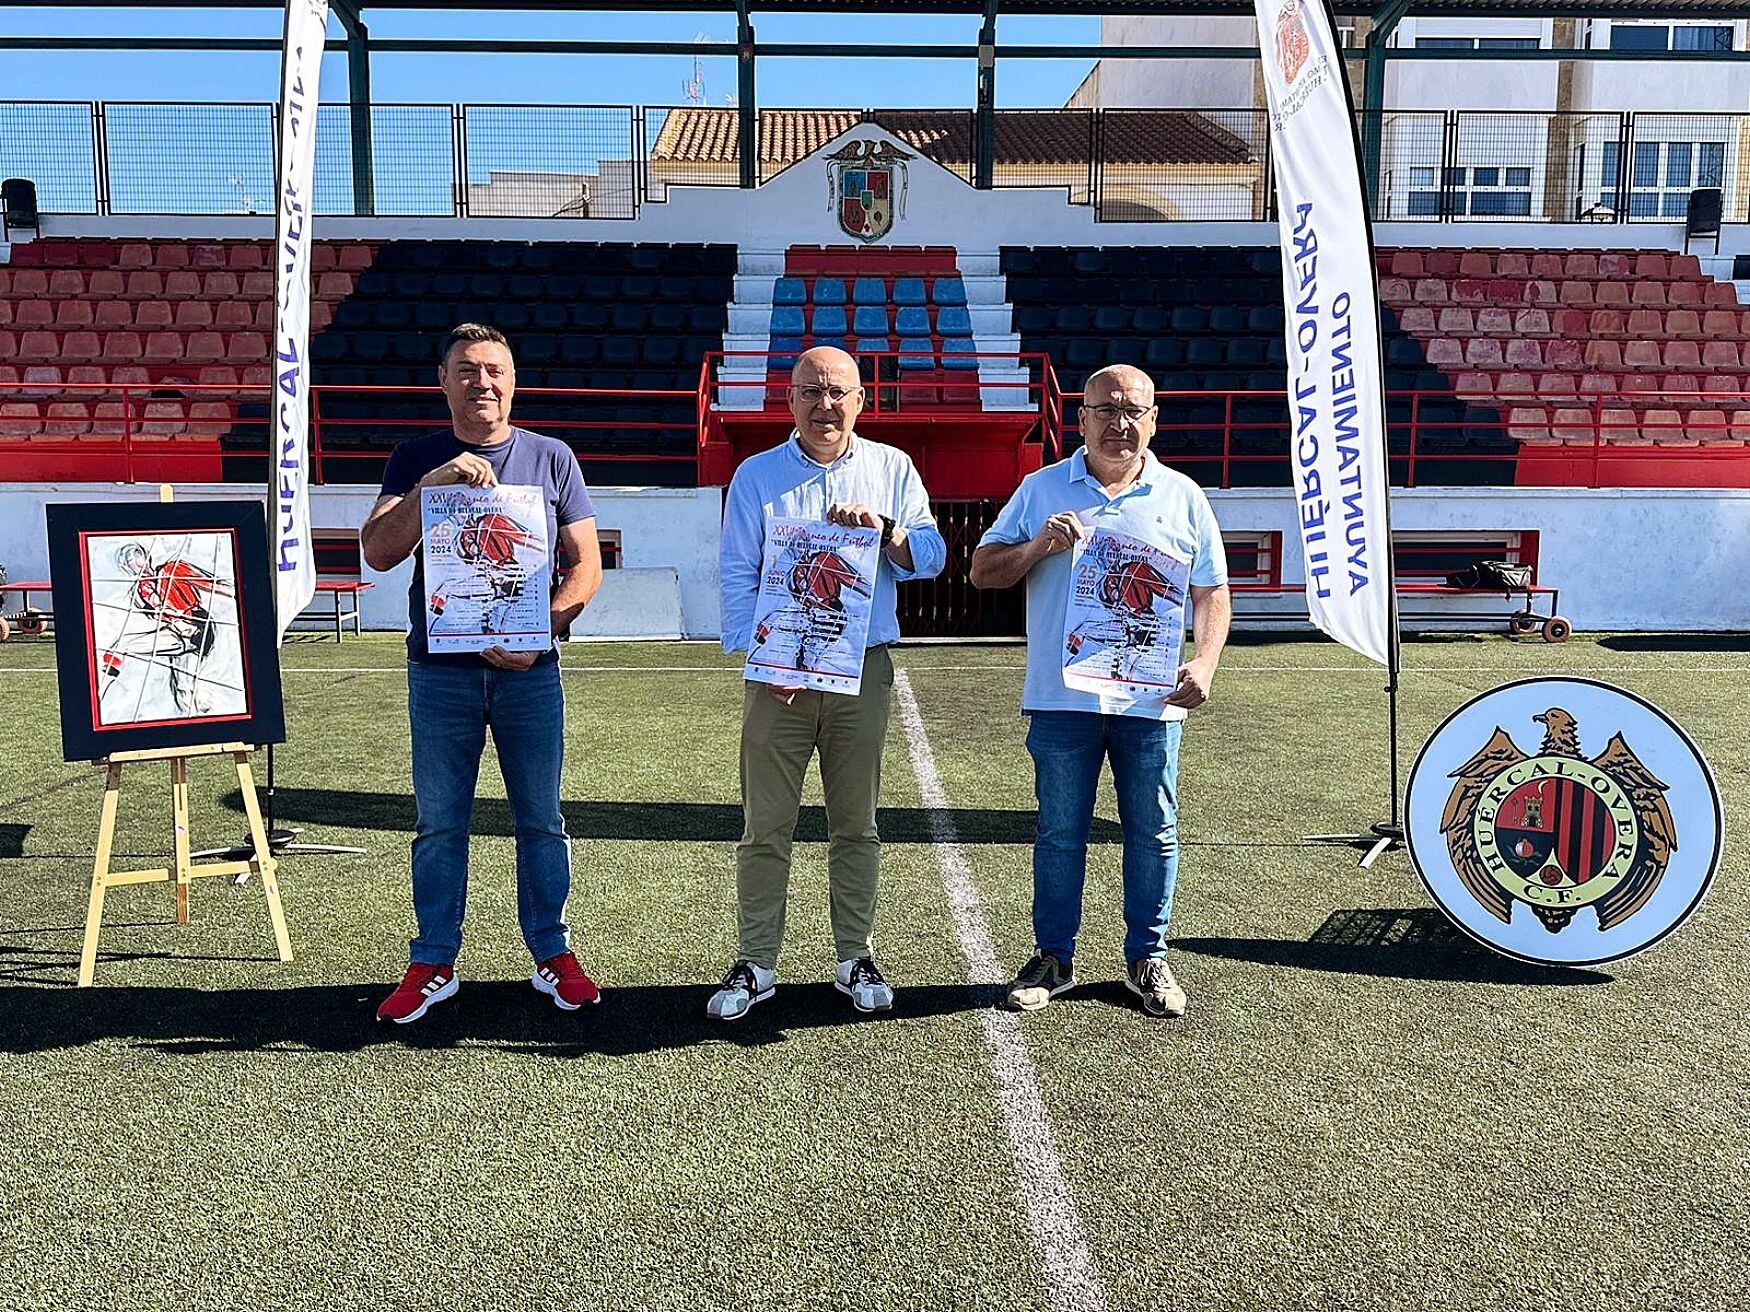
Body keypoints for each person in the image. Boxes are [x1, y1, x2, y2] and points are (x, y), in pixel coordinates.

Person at [970, 363, 1231, 1019]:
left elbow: (1212, 592)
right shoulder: (1039, 489)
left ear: (1153, 418)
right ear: (1080, 417)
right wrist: (1035, 548)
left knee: (1155, 833)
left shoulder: (1183, 496)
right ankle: (1053, 958)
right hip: (1063, 702)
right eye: (1105, 409)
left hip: (1151, 703)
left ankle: (1148, 958)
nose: (1120, 423)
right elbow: (982, 572)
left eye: (1133, 410)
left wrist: (1204, 662)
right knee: (1060, 833)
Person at [362, 323, 604, 1024]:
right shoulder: (416, 457)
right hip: (440, 675)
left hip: (531, 674)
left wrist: (546, 628)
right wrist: (431, 486)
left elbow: (586, 565)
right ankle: (434, 960)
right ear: (443, 380)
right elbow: (377, 551)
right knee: (440, 823)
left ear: (514, 379)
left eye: (494, 370)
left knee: (542, 821)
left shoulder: (552, 457)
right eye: (466, 370)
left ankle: (552, 953)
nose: (482, 383)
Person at [710, 345, 946, 1020]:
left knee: (857, 825)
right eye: (811, 392)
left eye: (838, 391)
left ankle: (853, 956)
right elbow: (737, 576)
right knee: (765, 826)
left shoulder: (891, 469)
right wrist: (765, 660)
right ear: (788, 401)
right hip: (777, 676)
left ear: (861, 399)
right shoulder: (757, 476)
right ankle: (757, 962)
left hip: (861, 670)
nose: (825, 405)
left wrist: (888, 531)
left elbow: (930, 557)